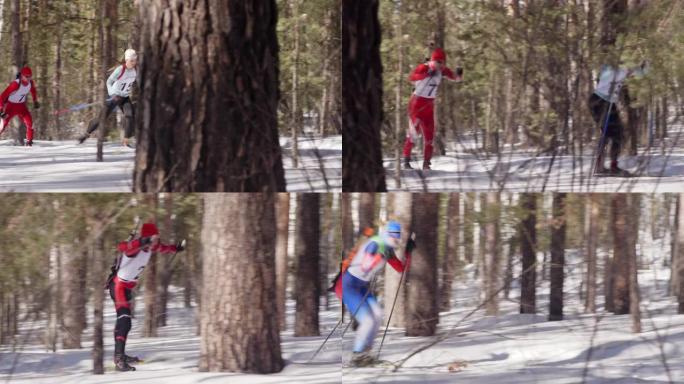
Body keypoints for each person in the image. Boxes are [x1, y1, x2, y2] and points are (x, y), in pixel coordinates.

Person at [109, 222, 185, 371]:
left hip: (127, 287)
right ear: (147, 237)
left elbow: (164, 248)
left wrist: (176, 248)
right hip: (118, 286)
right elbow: (123, 247)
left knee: (124, 322)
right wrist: (141, 241)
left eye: (157, 237)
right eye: (153, 238)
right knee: (125, 322)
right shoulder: (135, 249)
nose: (156, 240)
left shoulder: (152, 246)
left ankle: (120, 355)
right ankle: (119, 359)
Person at [341, 221, 413, 366]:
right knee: (367, 320)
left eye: (397, 235)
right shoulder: (375, 243)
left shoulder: (387, 249)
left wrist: (408, 253)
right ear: (386, 233)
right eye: (392, 234)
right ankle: (357, 355)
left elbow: (400, 268)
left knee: (378, 315)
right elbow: (366, 267)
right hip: (349, 285)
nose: (395, 238)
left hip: (362, 286)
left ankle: (366, 353)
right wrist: (380, 256)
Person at [403, 48, 463, 170]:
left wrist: (459, 74)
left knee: (429, 136)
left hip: (429, 105)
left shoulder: (442, 70)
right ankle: (406, 160)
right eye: (439, 62)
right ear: (433, 60)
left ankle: (426, 163)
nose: (441, 65)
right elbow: (412, 77)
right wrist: (425, 74)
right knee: (414, 134)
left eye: (443, 62)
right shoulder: (424, 67)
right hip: (416, 103)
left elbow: (455, 79)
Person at [588, 61, 646, 176]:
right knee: (609, 133)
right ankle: (603, 166)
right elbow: (631, 72)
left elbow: (639, 73)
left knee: (615, 134)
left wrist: (644, 66)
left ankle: (610, 165)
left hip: (606, 103)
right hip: (600, 102)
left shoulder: (617, 69)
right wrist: (640, 68)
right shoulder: (610, 69)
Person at [79, 48, 138, 146]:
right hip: (114, 97)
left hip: (124, 97)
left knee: (130, 116)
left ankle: (126, 140)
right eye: (132, 60)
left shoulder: (134, 71)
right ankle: (86, 134)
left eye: (135, 60)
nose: (134, 62)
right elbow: (109, 82)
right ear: (127, 60)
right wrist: (113, 94)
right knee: (101, 119)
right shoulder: (120, 70)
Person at [0, 66, 40, 146]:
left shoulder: (30, 83)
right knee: (3, 125)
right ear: (22, 75)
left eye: (30, 76)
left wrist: (35, 101)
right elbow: (2, 96)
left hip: (22, 107)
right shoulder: (15, 84)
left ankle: (29, 143)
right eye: (26, 76)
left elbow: (33, 91)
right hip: (11, 107)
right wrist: (1, 110)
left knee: (30, 123)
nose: (28, 78)